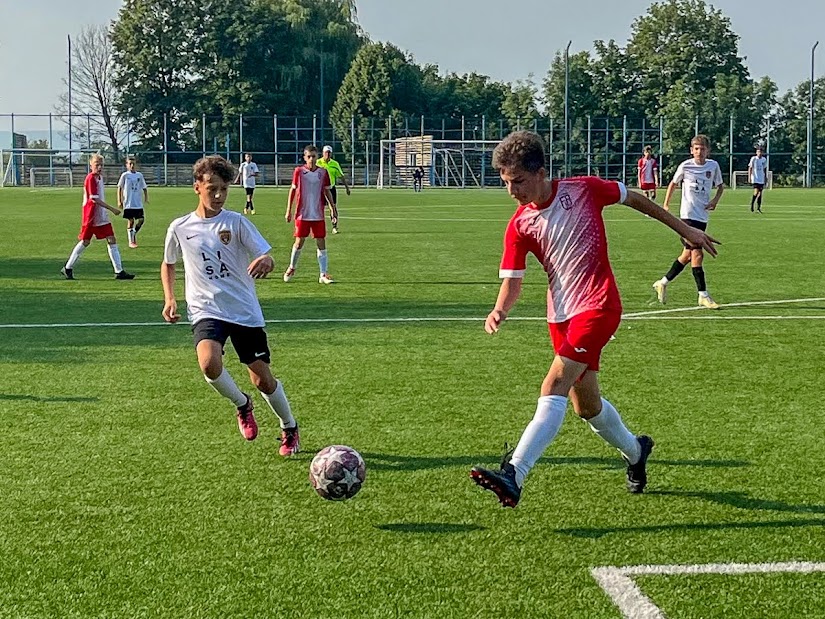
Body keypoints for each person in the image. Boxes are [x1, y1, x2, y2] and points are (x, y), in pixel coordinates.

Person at [469, 131, 719, 508]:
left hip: (599, 307)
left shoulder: (583, 190)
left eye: (517, 181)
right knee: (586, 407)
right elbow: (512, 282)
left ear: (540, 172)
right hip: (561, 317)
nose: (511, 191)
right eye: (505, 182)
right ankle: (636, 452)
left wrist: (685, 230)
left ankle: (514, 473)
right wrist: (500, 309)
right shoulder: (520, 225)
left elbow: (634, 198)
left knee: (552, 384)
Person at [161, 155, 300, 456]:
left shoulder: (236, 222)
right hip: (205, 309)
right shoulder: (180, 227)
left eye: (224, 189)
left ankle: (288, 425)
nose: (218, 195)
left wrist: (267, 260)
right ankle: (242, 403)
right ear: (197, 186)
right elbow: (168, 263)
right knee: (209, 364)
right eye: (212, 188)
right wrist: (170, 298)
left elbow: (267, 255)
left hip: (243, 310)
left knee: (262, 379)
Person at [652, 134, 724, 310]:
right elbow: (673, 183)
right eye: (696, 149)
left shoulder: (713, 166)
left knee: (687, 255)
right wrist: (666, 205)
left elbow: (720, 186)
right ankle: (703, 295)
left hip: (702, 216)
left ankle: (662, 282)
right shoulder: (685, 166)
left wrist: (714, 201)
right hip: (687, 215)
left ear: (708, 151)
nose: (699, 152)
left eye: (703, 149)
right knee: (698, 254)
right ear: (691, 151)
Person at [61, 153, 135, 280]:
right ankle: (68, 268)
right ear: (91, 165)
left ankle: (119, 271)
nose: (99, 167)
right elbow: (94, 200)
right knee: (85, 241)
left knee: (111, 239)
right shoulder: (90, 178)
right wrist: (112, 209)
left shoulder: (99, 178)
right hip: (91, 216)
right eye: (97, 164)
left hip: (101, 216)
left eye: (101, 165)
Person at [284, 145, 338, 284]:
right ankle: (291, 267)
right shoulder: (299, 171)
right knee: (299, 241)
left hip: (318, 214)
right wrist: (288, 210)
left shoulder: (323, 172)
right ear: (305, 158)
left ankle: (323, 274)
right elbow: (293, 190)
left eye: (314, 156)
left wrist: (333, 208)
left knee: (321, 241)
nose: (312, 159)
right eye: (309, 157)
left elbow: (327, 191)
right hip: (303, 214)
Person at [317, 145, 351, 234]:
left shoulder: (335, 164)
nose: (327, 154)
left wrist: (347, 188)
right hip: (319, 189)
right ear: (323, 153)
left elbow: (341, 176)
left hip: (331, 188)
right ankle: (318, 227)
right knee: (318, 208)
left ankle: (334, 227)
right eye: (326, 152)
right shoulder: (318, 163)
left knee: (333, 207)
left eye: (329, 152)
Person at [117, 157, 149, 248]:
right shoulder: (125, 175)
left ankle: (133, 232)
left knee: (141, 220)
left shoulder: (139, 175)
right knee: (130, 221)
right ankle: (131, 241)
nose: (132, 165)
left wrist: (146, 198)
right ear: (126, 165)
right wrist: (119, 201)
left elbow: (144, 187)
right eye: (130, 164)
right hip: (128, 203)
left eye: (133, 164)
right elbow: (119, 187)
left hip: (137, 203)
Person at [748, 146, 768, 213]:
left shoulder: (764, 160)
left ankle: (758, 208)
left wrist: (765, 178)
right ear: (756, 152)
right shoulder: (753, 159)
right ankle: (752, 205)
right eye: (758, 151)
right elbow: (750, 168)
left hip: (761, 178)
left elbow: (764, 169)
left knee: (760, 194)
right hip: (755, 178)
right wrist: (749, 177)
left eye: (761, 152)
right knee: (756, 192)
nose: (759, 153)